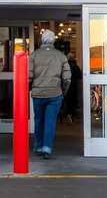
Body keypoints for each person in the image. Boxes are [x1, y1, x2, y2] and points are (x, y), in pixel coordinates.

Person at [29, 29, 71, 158]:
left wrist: (30, 89)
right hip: (55, 94)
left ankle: (38, 146)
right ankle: (47, 148)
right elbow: (67, 78)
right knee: (50, 122)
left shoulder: (34, 55)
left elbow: (28, 76)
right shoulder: (61, 56)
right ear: (53, 41)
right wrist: (63, 91)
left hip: (38, 94)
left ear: (42, 40)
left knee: (38, 120)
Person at [62, 50, 83, 123]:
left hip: (66, 85)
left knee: (67, 100)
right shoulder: (75, 66)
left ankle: (67, 113)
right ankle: (71, 114)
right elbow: (79, 75)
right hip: (73, 86)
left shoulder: (65, 65)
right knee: (73, 101)